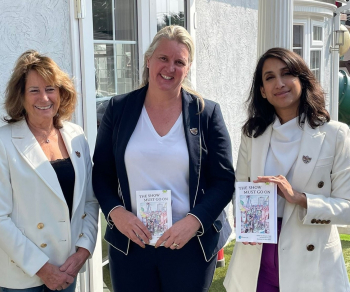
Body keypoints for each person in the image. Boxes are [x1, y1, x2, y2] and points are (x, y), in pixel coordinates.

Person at [92, 25, 235, 292]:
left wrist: (194, 221)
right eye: (163, 58)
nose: (170, 68)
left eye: (179, 62)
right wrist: (116, 213)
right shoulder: (118, 109)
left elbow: (224, 180)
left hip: (188, 243)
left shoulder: (206, 114)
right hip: (132, 242)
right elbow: (101, 173)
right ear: (148, 60)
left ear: (188, 67)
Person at [223, 47, 350, 292]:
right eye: (269, 77)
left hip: (310, 261)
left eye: (287, 73)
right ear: (262, 90)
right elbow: (240, 188)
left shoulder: (335, 134)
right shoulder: (252, 134)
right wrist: (244, 219)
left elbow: (347, 207)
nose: (279, 83)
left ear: (302, 79)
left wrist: (300, 199)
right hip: (256, 256)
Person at [0, 50, 99, 292]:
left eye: (51, 88)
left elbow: (90, 201)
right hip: (23, 274)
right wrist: (43, 269)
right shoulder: (0, 141)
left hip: (67, 267)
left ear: (61, 92)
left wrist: (84, 251)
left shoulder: (76, 136)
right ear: (21, 96)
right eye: (34, 90)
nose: (44, 97)